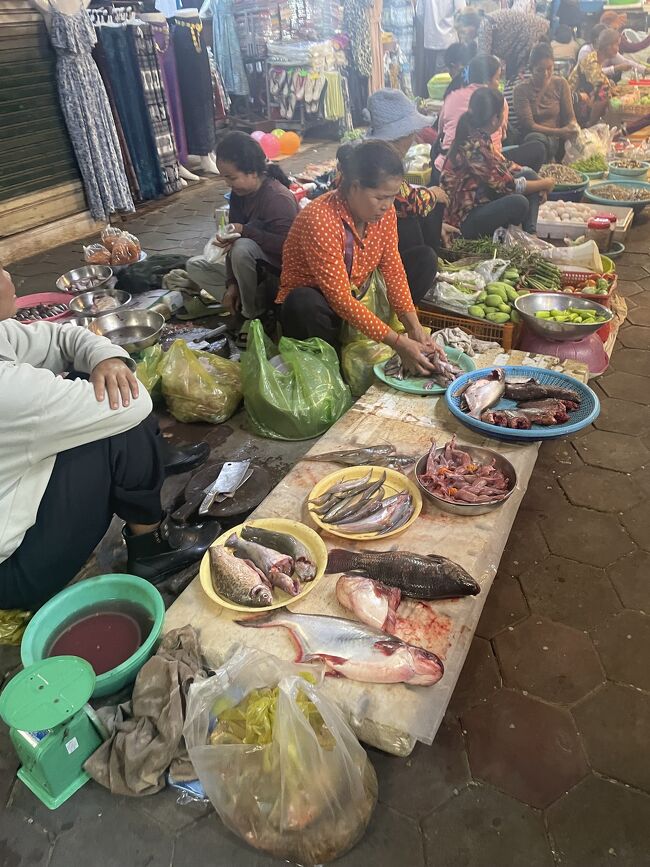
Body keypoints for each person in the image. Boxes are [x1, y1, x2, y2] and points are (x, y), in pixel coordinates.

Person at [0, 267, 220, 610]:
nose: (9, 275)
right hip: (15, 570)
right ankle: (152, 548)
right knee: (120, 422)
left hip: (17, 501)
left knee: (100, 374)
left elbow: (65, 337)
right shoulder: (8, 390)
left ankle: (151, 456)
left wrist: (108, 357)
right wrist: (111, 368)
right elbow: (133, 405)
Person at [278, 140, 442, 376]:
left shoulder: (385, 214)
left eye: (392, 197)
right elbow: (341, 300)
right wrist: (397, 342)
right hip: (324, 306)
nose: (386, 206)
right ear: (354, 187)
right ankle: (333, 363)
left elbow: (393, 270)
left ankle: (377, 333)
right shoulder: (321, 219)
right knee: (302, 302)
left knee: (425, 258)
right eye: (380, 197)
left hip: (361, 290)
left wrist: (415, 329)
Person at [186, 131, 299, 334]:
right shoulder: (240, 195)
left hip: (281, 280)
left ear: (253, 172)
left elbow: (289, 248)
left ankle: (253, 316)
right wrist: (231, 283)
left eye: (231, 177)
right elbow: (232, 242)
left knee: (242, 246)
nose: (228, 183)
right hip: (252, 276)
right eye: (225, 178)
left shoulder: (277, 198)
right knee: (195, 265)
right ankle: (244, 304)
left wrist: (246, 231)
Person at [441, 87, 554, 239]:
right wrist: (546, 184)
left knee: (527, 174)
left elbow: (506, 165)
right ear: (495, 118)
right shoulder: (475, 147)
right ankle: (530, 235)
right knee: (519, 202)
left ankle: (531, 234)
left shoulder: (478, 136)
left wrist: (538, 181)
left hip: (477, 204)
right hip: (461, 224)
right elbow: (510, 186)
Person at [365, 89, 457, 273]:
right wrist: (433, 195)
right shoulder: (379, 159)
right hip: (369, 241)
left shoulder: (379, 152)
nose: (414, 138)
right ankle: (424, 273)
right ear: (401, 135)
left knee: (425, 204)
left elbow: (404, 197)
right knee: (428, 202)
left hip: (379, 235)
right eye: (411, 133)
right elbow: (406, 201)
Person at [435, 54, 545, 177]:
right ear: (487, 81)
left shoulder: (451, 96)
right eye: (498, 78)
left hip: (441, 168)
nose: (498, 84)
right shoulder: (497, 100)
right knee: (537, 150)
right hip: (477, 172)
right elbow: (501, 139)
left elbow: (440, 133)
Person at [514, 42, 579, 162]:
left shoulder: (561, 84)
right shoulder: (521, 90)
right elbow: (530, 125)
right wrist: (560, 132)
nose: (545, 74)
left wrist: (572, 127)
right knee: (537, 142)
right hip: (533, 140)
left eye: (550, 69)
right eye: (540, 70)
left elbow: (570, 117)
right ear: (531, 69)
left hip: (556, 141)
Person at [474, 6, 550, 80]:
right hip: (534, 34)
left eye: (463, 31)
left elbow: (483, 61)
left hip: (533, 36)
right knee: (516, 79)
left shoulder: (484, 25)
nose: (464, 36)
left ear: (471, 24)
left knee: (523, 78)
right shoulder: (486, 21)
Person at [569, 28, 622, 126]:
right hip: (573, 105)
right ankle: (590, 125)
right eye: (617, 45)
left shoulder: (596, 59)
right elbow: (602, 87)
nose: (618, 49)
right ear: (608, 46)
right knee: (604, 92)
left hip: (584, 102)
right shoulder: (591, 62)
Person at [415, 0, 466, 98]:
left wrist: (430, 25)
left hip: (430, 40)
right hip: (448, 41)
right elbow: (462, 11)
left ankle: (432, 106)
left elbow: (420, 13)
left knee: (432, 80)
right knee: (445, 80)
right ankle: (444, 106)